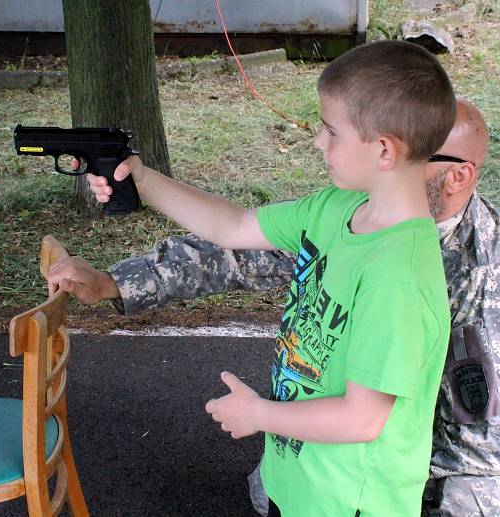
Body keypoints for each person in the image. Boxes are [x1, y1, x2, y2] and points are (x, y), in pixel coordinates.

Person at [50, 103, 500, 516]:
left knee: (477, 507)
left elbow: (488, 440)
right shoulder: (360, 214)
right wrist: (114, 283)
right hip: (369, 413)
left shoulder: (494, 287)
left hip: (475, 451)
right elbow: (237, 246)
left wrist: (376, 477)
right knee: (270, 489)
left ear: (457, 177)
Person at [52, 40, 458, 516]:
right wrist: (141, 178)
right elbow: (235, 227)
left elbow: (363, 417)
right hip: (300, 484)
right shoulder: (338, 209)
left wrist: (259, 414)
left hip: (349, 503)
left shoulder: (399, 277)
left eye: (331, 132)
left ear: (384, 150)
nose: (318, 142)